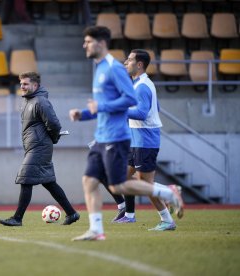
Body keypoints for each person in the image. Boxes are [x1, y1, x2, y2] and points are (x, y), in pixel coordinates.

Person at [69, 26, 184, 241]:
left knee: (124, 184)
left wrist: (102, 109)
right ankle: (100, 228)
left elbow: (135, 108)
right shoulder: (105, 70)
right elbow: (108, 106)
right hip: (120, 137)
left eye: (88, 41)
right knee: (94, 180)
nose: (84, 45)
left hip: (134, 138)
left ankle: (167, 196)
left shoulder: (126, 76)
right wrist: (84, 114)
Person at [0, 71, 80, 227]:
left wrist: (54, 138)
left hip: (40, 147)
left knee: (25, 179)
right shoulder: (27, 102)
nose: (22, 86)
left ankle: (17, 218)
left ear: (35, 85)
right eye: (21, 84)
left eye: (25, 84)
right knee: (49, 182)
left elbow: (54, 124)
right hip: (34, 146)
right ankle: (71, 213)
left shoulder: (41, 101)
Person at [110, 49, 180, 231]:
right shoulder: (140, 84)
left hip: (145, 141)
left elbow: (142, 113)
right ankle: (131, 214)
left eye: (129, 60)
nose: (125, 62)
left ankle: (167, 219)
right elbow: (155, 107)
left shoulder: (141, 86)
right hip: (136, 140)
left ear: (139, 64)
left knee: (145, 186)